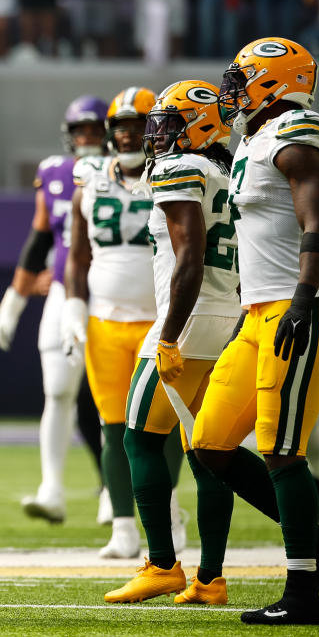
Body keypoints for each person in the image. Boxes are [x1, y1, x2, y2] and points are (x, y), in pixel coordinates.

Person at [191, 36, 319, 625]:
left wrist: (305, 297)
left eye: (242, 78)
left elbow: (318, 221)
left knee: (282, 451)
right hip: (257, 312)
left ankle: (303, 593)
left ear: (275, 81)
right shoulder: (253, 138)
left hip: (298, 307)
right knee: (208, 444)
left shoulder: (297, 134)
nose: (232, 90)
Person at [104, 80, 240, 604]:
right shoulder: (227, 173)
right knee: (207, 450)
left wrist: (167, 333)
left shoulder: (179, 170)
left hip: (188, 317)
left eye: (168, 124)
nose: (156, 136)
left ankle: (162, 563)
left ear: (200, 125)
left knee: (138, 437)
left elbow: (188, 259)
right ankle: (211, 577)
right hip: (227, 315)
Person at [64, 87, 175, 560]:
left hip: (160, 319)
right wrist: (73, 304)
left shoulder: (174, 175)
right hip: (105, 319)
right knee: (112, 426)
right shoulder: (90, 179)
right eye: (121, 128)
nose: (129, 136)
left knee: (162, 429)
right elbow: (76, 253)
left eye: (137, 126)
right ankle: (124, 528)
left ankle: (168, 515)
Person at [0, 95, 111, 525]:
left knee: (110, 401)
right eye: (80, 131)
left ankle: (114, 496)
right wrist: (14, 301)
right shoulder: (56, 173)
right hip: (65, 292)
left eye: (95, 131)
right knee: (58, 393)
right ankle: (52, 489)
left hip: (116, 293)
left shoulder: (131, 175)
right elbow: (40, 240)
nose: (87, 139)